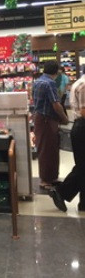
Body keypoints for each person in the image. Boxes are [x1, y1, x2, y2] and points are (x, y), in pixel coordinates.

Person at [50, 66, 85, 212]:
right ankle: (61, 191)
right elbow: (84, 111)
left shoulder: (79, 83)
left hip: (80, 126)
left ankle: (81, 202)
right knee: (83, 166)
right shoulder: (84, 86)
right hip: (83, 126)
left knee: (82, 166)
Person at [33, 60, 69, 190]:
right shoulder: (50, 83)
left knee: (46, 149)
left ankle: (50, 177)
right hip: (47, 120)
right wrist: (64, 118)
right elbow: (56, 104)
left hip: (40, 118)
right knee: (48, 150)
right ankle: (46, 180)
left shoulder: (37, 81)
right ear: (56, 71)